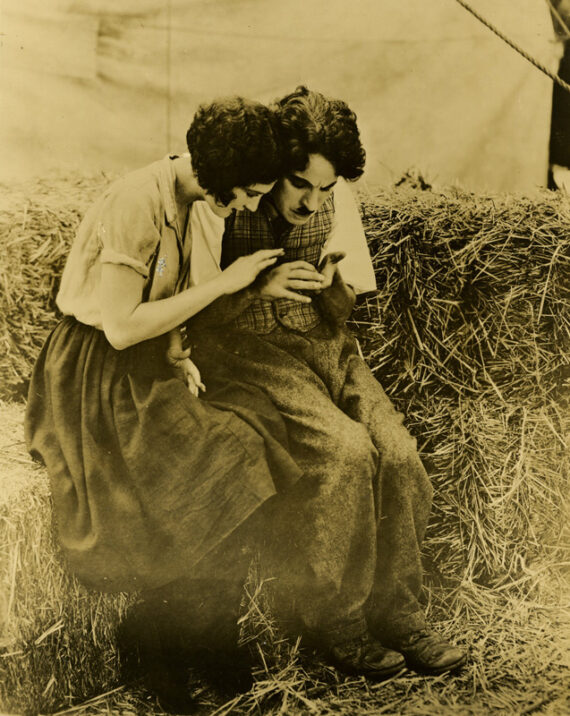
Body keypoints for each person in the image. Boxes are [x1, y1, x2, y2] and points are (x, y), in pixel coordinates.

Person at [24, 96, 308, 709]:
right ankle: (158, 638)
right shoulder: (138, 200)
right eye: (248, 192)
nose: (252, 205)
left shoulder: (202, 201)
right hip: (93, 368)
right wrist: (229, 283)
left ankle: (203, 630)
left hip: (147, 358)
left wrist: (180, 353)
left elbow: (167, 310)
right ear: (215, 175)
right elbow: (122, 326)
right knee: (207, 458)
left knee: (255, 428)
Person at [186, 86, 468, 681]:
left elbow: (346, 305)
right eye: (299, 183)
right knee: (344, 454)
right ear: (272, 170)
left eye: (326, 189)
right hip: (250, 353)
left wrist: (331, 282)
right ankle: (336, 623)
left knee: (399, 452)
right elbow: (186, 312)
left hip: (324, 345)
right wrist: (253, 290)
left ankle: (399, 615)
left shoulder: (338, 203)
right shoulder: (225, 200)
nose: (312, 203)